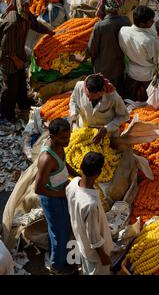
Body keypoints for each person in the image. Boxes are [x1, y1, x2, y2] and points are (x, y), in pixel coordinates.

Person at [0, 0, 54, 124]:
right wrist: (16, 60)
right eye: (25, 3)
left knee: (21, 82)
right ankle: (7, 114)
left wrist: (50, 32)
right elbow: (5, 47)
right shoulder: (12, 21)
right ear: (17, 0)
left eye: (28, 3)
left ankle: (23, 104)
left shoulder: (24, 13)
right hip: (9, 58)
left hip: (18, 54)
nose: (27, 5)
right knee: (10, 87)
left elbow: (35, 24)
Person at [34, 118, 75, 275]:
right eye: (64, 138)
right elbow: (38, 188)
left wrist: (77, 175)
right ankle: (57, 267)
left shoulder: (59, 146)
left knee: (58, 230)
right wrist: (61, 194)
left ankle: (56, 257)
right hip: (52, 198)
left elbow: (64, 163)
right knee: (60, 233)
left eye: (68, 136)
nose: (68, 140)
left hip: (60, 194)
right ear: (52, 135)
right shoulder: (46, 159)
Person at [66, 152, 113, 275]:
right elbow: (94, 237)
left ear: (81, 167)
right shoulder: (90, 204)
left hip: (82, 240)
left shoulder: (73, 183)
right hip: (96, 253)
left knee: (88, 268)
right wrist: (103, 256)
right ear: (98, 173)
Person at [86, 0, 131, 96]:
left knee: (104, 93)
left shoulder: (100, 26)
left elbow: (91, 50)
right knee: (118, 92)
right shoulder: (126, 21)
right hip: (119, 66)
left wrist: (81, 58)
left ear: (105, 4)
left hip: (103, 68)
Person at [69, 73, 130, 144]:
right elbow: (73, 101)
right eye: (88, 97)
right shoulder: (79, 87)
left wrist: (106, 128)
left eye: (94, 98)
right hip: (83, 129)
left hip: (106, 134)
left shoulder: (113, 97)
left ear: (102, 91)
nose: (90, 100)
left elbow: (124, 116)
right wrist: (73, 118)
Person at [118, 5, 159, 102]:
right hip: (147, 75)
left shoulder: (123, 31)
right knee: (148, 101)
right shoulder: (149, 40)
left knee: (129, 99)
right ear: (142, 24)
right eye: (151, 21)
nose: (153, 22)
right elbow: (155, 59)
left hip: (131, 71)